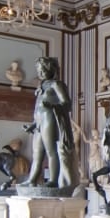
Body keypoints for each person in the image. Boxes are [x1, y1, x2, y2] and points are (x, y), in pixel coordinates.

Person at [22, 56, 75, 189]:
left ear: (51, 70)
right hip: (40, 122)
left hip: (50, 119)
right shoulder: (41, 87)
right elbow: (38, 109)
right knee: (37, 153)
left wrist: (52, 107)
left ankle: (53, 180)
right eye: (39, 70)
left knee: (51, 151)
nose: (40, 73)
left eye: (43, 70)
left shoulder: (56, 85)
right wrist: (32, 125)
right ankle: (32, 179)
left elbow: (67, 104)